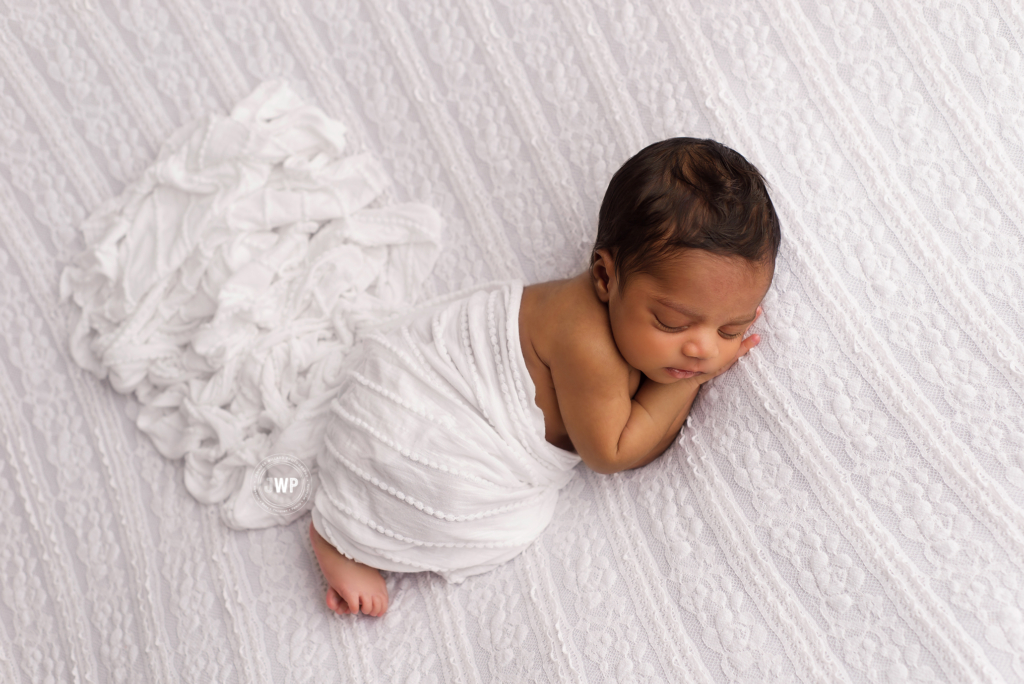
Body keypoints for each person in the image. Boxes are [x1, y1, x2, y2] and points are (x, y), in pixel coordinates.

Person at [309, 137, 781, 618]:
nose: (703, 349)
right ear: (605, 277)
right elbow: (612, 452)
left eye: (732, 329)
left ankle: (346, 516)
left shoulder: (619, 320)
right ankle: (344, 537)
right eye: (672, 323)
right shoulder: (589, 345)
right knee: (451, 502)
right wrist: (688, 382)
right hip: (422, 419)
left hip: (400, 394)